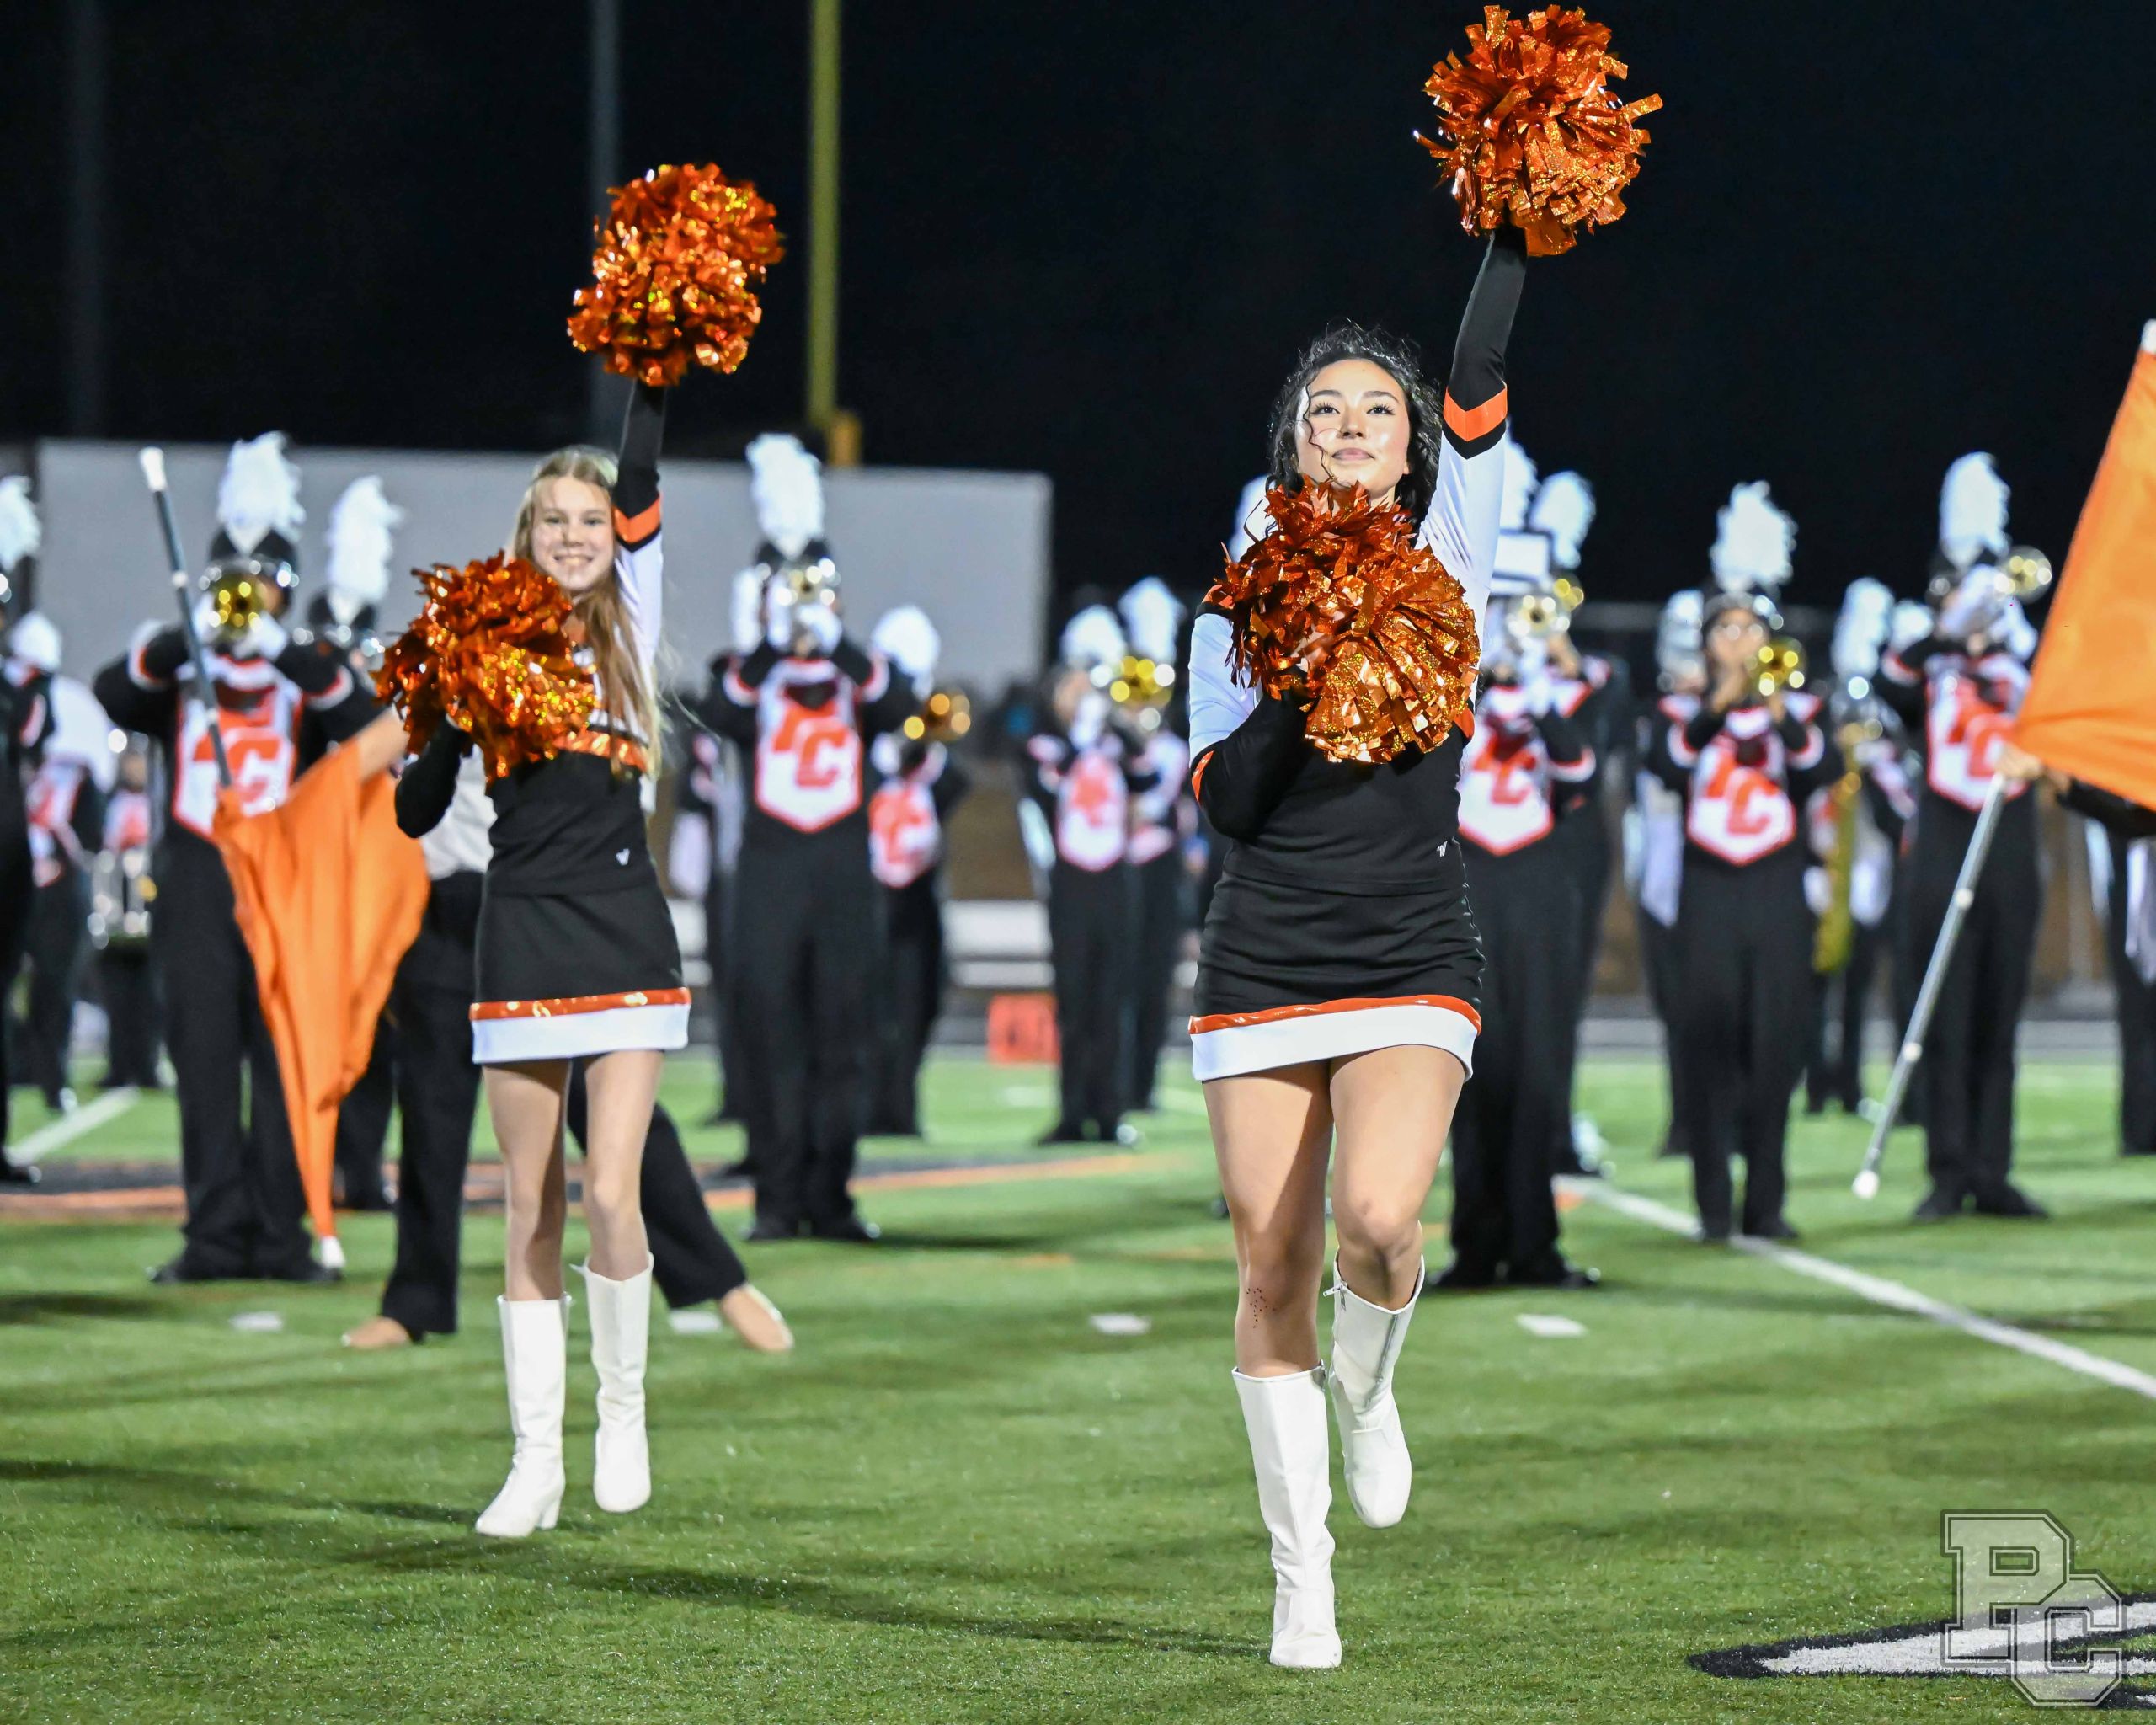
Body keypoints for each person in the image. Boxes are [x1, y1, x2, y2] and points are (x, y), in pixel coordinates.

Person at [1187, 224, 1524, 1668]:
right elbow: (1227, 801)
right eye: (1322, 409)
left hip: (1409, 942)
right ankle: (1300, 1580)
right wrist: (1300, 655)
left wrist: (1513, 223)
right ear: (1294, 443)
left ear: (1408, 449)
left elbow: (1481, 366)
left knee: (1380, 1221)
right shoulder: (1239, 591)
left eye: (1374, 410)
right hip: (1264, 952)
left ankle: (1370, 1386)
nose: (1347, 425)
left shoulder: (1454, 554)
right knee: (1272, 1271)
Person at [393, 383, 691, 1535]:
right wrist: (441, 700)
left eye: (589, 520)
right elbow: (418, 813)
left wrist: (652, 365)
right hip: (517, 932)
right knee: (531, 1207)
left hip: (623, 930)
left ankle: (623, 1410)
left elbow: (642, 471)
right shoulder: (488, 646)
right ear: (526, 534)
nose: (573, 537)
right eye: (553, 521)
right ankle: (534, 1464)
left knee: (611, 1189)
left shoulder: (633, 618)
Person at [344, 729, 792, 1356]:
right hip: (447, 903)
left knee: (616, 1126)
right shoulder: (446, 676)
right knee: (429, 1112)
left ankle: (719, 1281)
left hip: (546, 900)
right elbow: (384, 773)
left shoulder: (585, 685)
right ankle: (414, 1301)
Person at [92, 433, 371, 1280]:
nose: (247, 596)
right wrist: (191, 638)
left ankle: (281, 1236)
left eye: (262, 582)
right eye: (233, 582)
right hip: (200, 877)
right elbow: (113, 692)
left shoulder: (307, 666)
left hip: (286, 877)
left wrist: (278, 649)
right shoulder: (182, 665)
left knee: (284, 1055)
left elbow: (363, 723)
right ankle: (213, 1235)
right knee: (205, 1055)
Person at [698, 434, 913, 1242]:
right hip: (770, 871)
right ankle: (778, 1197)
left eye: (815, 586)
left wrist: (833, 636)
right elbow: (720, 709)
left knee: (842, 1036)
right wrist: (772, 635)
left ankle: (833, 1195)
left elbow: (900, 705)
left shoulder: (859, 670)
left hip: (843, 871)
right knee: (772, 1034)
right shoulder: (747, 671)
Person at [1646, 485, 1834, 1242]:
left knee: (1776, 1045)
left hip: (1777, 887)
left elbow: (1816, 770)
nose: (1740, 640)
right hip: (1709, 889)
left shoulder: (1798, 710)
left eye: (1750, 627)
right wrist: (1721, 699)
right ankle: (1713, 1208)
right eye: (1726, 628)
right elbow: (1670, 764)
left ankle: (1767, 1203)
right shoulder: (1681, 710)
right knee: (1708, 1044)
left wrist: (1775, 703)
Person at [1876, 454, 2047, 1219]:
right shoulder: (1927, 656)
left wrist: (2005, 623)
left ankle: (1992, 1169)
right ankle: (1947, 1169)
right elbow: (1891, 686)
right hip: (1944, 837)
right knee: (1943, 1010)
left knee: (1999, 1012)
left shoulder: (2028, 656)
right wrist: (1948, 630)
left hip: (2008, 836)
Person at [1436, 578, 1598, 1290]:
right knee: (1469, 1063)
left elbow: (1579, 773)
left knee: (1537, 1067)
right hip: (1464, 880)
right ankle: (1474, 1244)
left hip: (1539, 888)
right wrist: (1475, 681)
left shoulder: (1566, 690)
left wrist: (1533, 692)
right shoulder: (1447, 688)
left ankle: (1535, 1245)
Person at [1027, 605, 1156, 1146]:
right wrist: (1082, 734)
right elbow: (1046, 783)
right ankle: (1071, 1111)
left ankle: (1109, 1112)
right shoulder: (1047, 743)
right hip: (1071, 882)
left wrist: (1115, 725)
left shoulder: (1119, 743)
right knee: (1074, 999)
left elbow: (1149, 779)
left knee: (1112, 999)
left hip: (1115, 881)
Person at [1802, 579, 1913, 1118]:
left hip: (1867, 870)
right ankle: (1813, 1084)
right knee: (1813, 983)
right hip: (1820, 865)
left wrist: (1872, 770)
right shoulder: (1818, 712)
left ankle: (1848, 1083)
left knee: (1857, 986)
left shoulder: (1885, 724)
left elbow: (1898, 812)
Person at [864, 605, 969, 1137]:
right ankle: (868, 1106)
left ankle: (901, 1107)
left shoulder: (935, 760)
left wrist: (923, 752)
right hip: (868, 890)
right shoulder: (862, 738)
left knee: (918, 998)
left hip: (918, 894)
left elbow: (954, 786)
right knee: (868, 1000)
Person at [11, 615, 112, 1114]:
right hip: (14, 864)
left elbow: (94, 799)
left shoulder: (74, 713)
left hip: (56, 871)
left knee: (57, 983)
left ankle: (52, 1076)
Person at [1118, 578, 1194, 1115]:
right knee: (1118, 979)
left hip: (1159, 871)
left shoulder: (1175, 748)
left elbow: (1175, 809)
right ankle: (1113, 1083)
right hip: (1120, 869)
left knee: (1153, 980)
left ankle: (1141, 1084)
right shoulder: (1111, 745)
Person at [1631, 590, 1703, 1160]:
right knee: (1676, 1007)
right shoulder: (1660, 718)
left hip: (1714, 875)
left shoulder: (1738, 714)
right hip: (1664, 874)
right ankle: (1685, 1120)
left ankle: (1725, 1120)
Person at [91, 743, 163, 1091]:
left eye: (139, 762)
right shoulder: (108, 802)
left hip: (150, 911)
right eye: (129, 762)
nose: (134, 769)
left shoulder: (159, 802)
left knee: (151, 995)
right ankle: (118, 1067)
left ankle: (148, 1066)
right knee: (116, 995)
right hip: (113, 913)